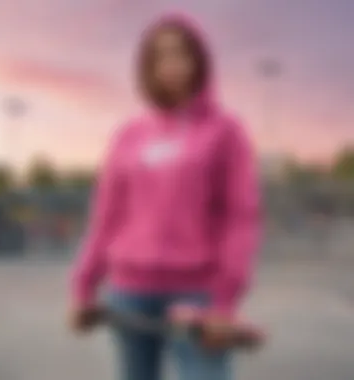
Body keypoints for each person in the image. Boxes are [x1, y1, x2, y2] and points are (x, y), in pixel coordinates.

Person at [68, 13, 261, 380]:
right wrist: (83, 287)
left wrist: (225, 301)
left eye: (180, 54)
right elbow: (106, 217)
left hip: (197, 296)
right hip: (129, 293)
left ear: (198, 62)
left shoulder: (226, 131)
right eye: (159, 57)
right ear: (147, 68)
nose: (170, 65)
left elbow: (241, 218)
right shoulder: (128, 135)